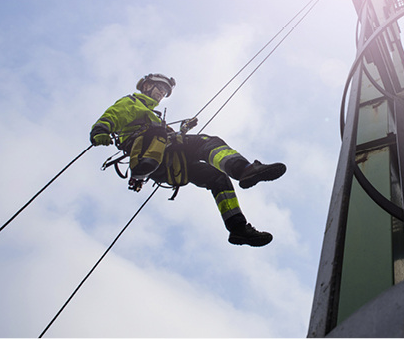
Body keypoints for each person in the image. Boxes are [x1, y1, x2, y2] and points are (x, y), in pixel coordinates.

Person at [89, 73, 286, 247]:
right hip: (154, 154)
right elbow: (115, 114)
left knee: (217, 178)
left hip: (165, 162)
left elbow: (165, 139)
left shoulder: (153, 116)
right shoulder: (134, 102)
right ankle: (244, 169)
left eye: (165, 92)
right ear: (147, 86)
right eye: (160, 89)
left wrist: (183, 130)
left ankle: (238, 228)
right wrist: (101, 129)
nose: (161, 94)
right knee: (208, 143)